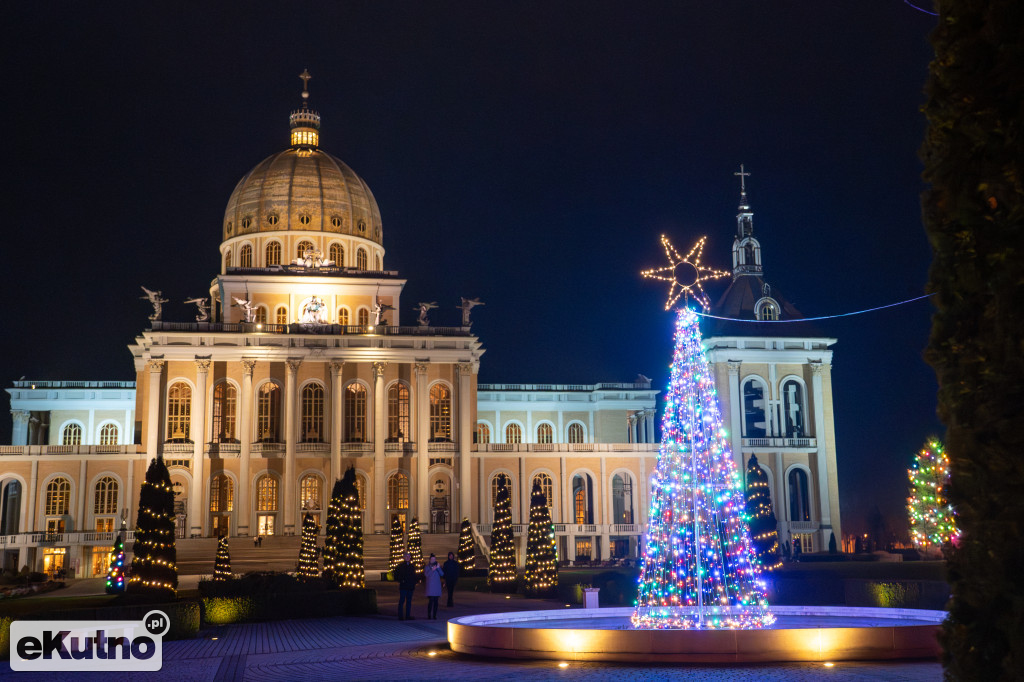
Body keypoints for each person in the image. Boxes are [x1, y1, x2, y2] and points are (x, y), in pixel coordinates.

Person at [394, 552, 418, 620]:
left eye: (409, 556)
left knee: (409, 602)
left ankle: (407, 615)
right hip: (403, 587)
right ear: (404, 557)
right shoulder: (400, 566)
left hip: (410, 587)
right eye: (406, 556)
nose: (408, 557)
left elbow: (414, 576)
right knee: (402, 601)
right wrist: (401, 581)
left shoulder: (412, 566)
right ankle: (400, 616)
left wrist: (414, 582)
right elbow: (396, 575)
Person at [423, 553, 445, 620]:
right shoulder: (427, 567)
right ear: (430, 560)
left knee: (436, 602)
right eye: (432, 559)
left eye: (434, 559)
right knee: (431, 601)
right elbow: (426, 575)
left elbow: (442, 574)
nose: (433, 560)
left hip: (437, 587)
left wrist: (438, 568)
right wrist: (432, 570)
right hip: (430, 587)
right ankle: (429, 615)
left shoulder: (438, 566)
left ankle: (434, 615)